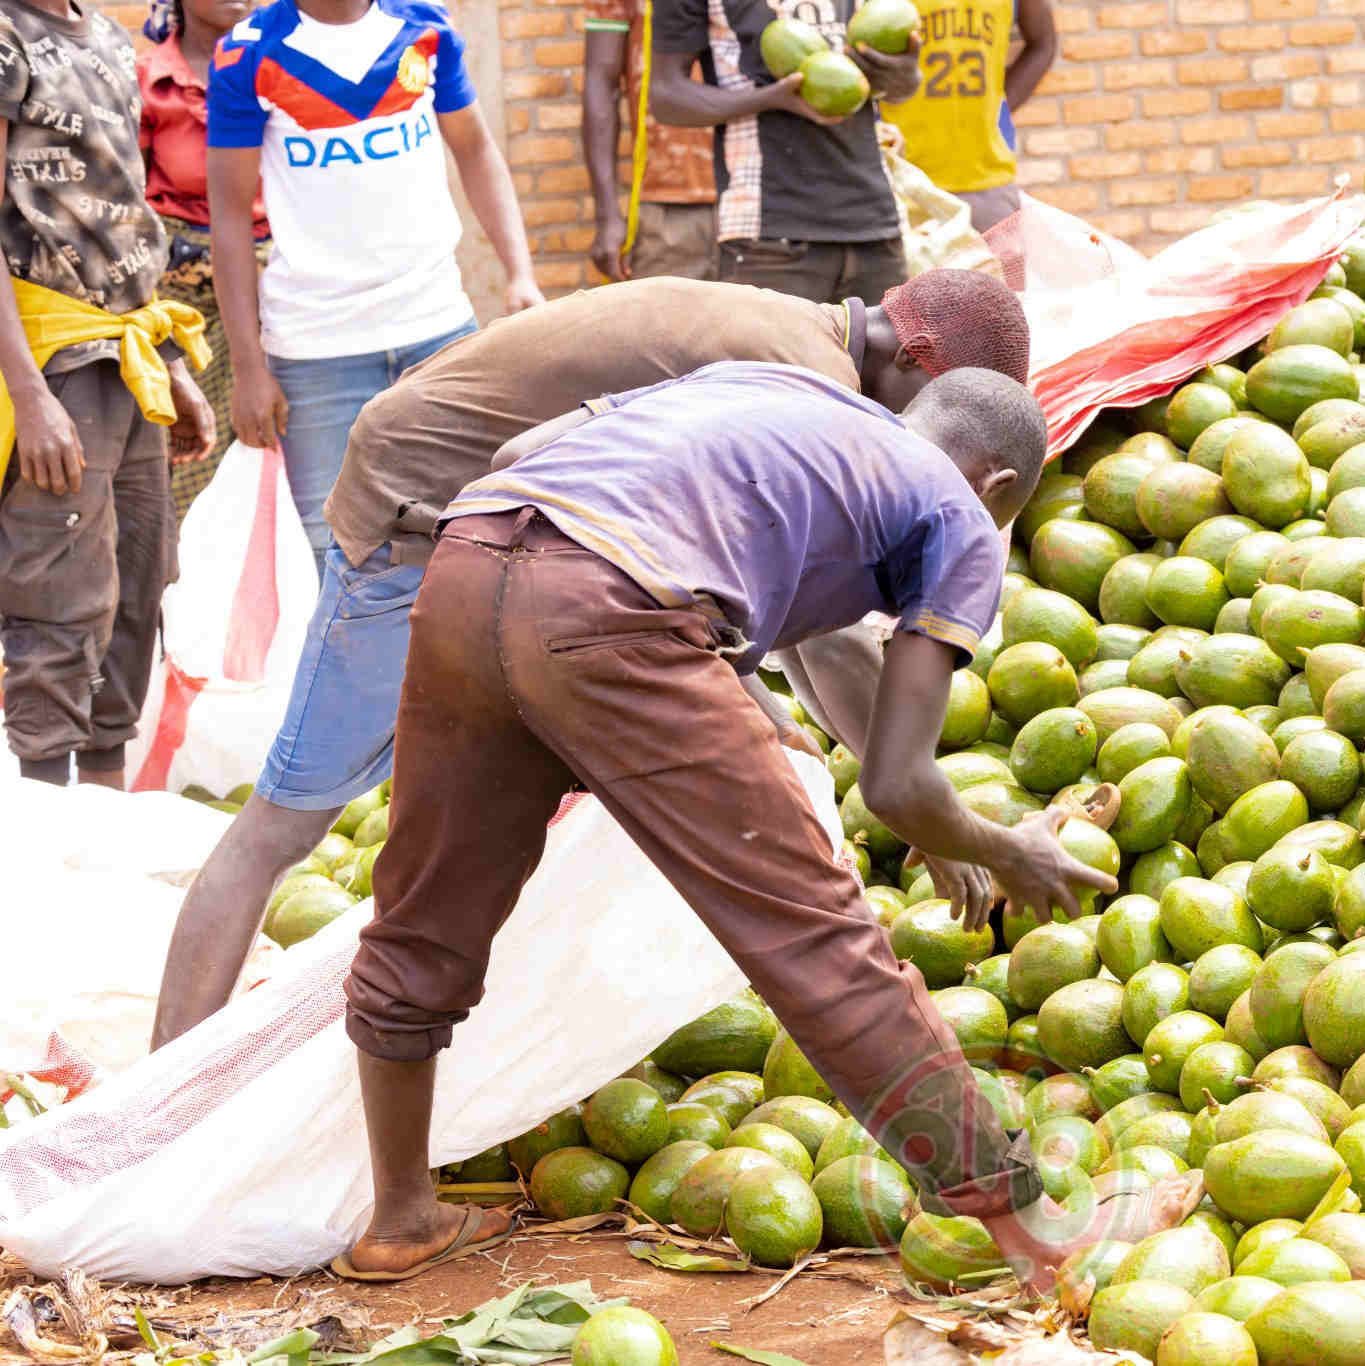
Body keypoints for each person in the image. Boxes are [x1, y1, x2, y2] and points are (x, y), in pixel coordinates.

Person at [328, 361, 1200, 1287]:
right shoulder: (958, 515)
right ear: (997, 488)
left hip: (471, 557)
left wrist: (724, 670)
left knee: (425, 907)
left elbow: (531, 455)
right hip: (619, 611)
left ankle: (399, 1218)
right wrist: (1001, 845)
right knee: (820, 942)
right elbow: (900, 789)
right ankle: (1037, 1227)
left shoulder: (787, 393)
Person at [151, 268, 1032, 1048]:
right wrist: (921, 804)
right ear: (919, 366)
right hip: (421, 520)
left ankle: (518, 1045)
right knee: (287, 824)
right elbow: (825, 634)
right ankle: (152, 1113)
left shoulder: (804, 338)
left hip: (516, 541)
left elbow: (793, 604)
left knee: (527, 825)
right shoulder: (810, 380)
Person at [206, 0, 544, 565]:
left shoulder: (426, 29)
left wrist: (520, 273)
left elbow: (476, 149)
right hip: (315, 354)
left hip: (438, 332)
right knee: (335, 554)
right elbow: (229, 214)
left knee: (462, 537)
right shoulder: (247, 53)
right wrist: (247, 368)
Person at [0, 0, 215, 788]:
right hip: (53, 359)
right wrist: (30, 398)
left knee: (135, 588)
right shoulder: (7, 36)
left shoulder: (105, 36)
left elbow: (125, 217)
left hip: (128, 357)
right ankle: (45, 831)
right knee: (58, 603)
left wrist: (171, 364)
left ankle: (102, 815)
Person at [649, 0, 920, 304]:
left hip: (876, 229)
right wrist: (770, 99)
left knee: (884, 352)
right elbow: (666, 94)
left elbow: (897, 86)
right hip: (769, 239)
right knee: (770, 354)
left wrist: (905, 75)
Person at [138, 0, 269, 518]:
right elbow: (128, 210)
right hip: (183, 308)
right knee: (192, 470)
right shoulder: (147, 82)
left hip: (280, 294)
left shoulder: (281, 68)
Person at [882, 0, 1056, 233]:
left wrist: (1001, 107)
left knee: (996, 270)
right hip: (901, 187)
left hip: (987, 186)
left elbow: (1043, 42)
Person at [582, 0, 717, 281]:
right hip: (666, 211)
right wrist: (607, 216)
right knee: (666, 324)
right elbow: (601, 81)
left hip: (768, 200)